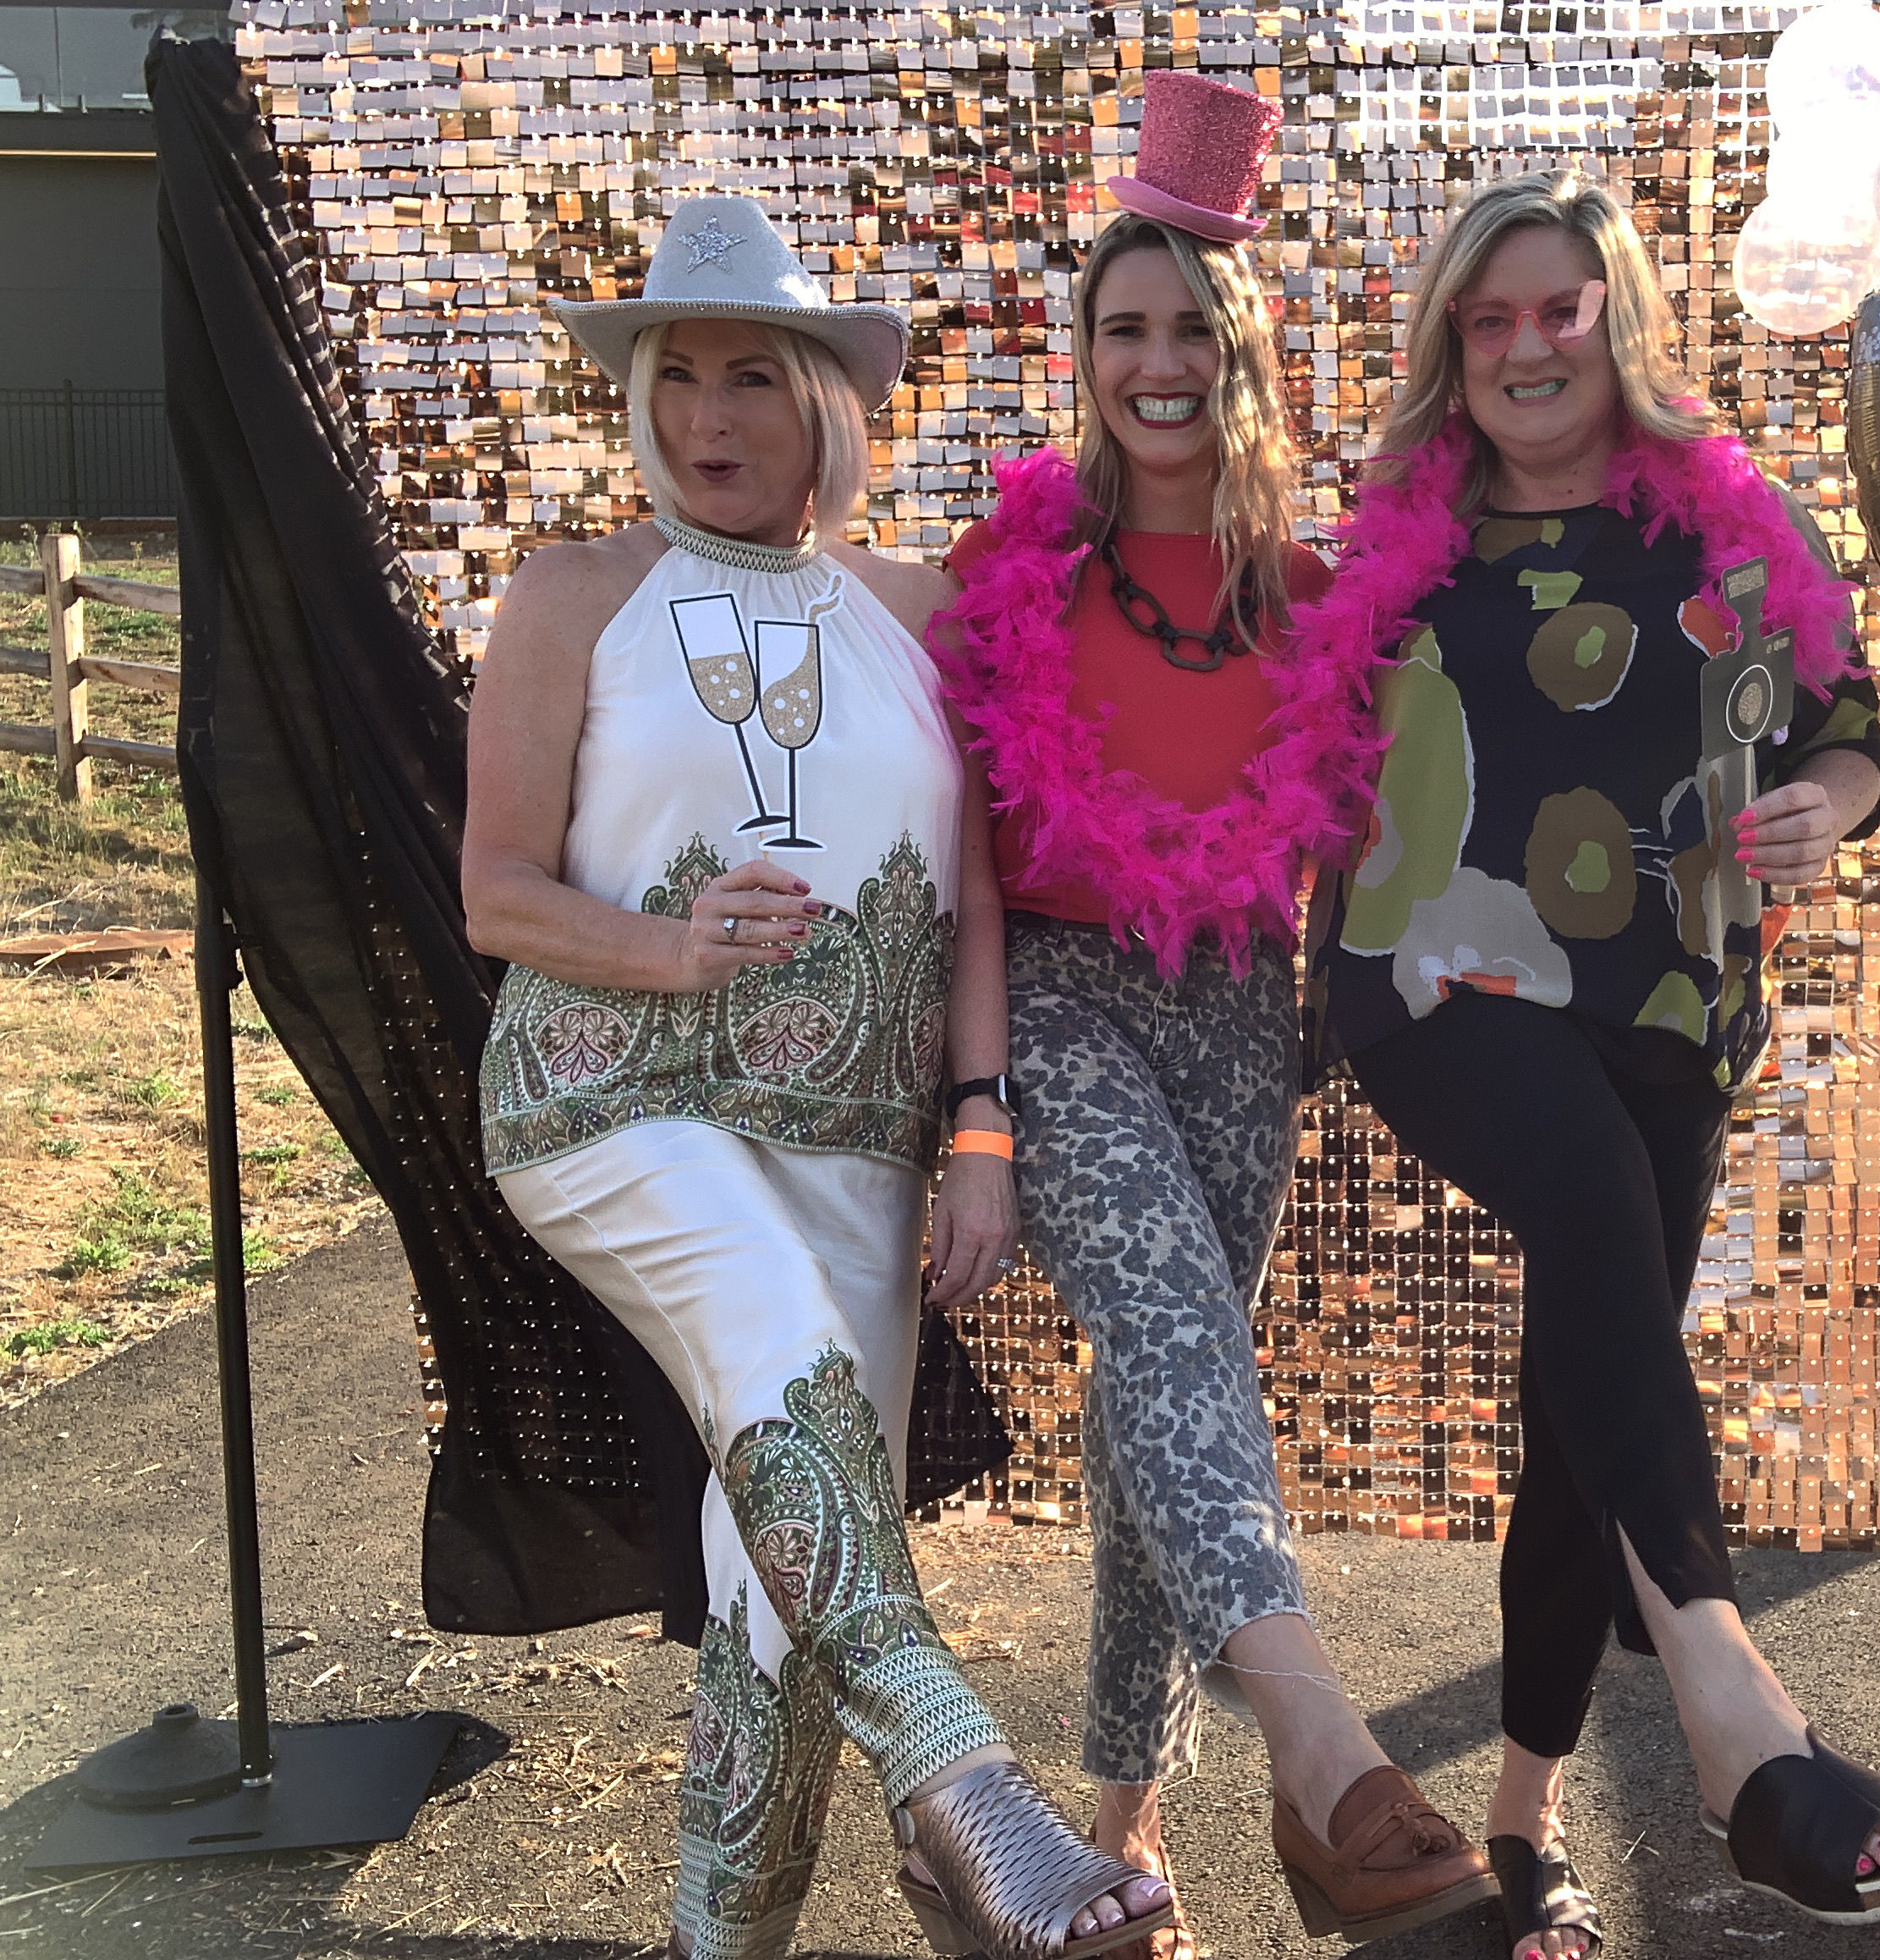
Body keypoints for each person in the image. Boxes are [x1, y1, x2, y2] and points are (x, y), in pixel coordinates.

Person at [463, 193, 1173, 1960]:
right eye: (675, 375)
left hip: (860, 1153)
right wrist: (672, 951)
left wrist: (982, 1134)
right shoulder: (573, 595)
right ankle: (968, 1795)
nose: (707, 415)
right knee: (793, 1380)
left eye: (749, 378)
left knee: (779, 1586)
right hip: (616, 1104)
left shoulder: (919, 610)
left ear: (823, 405)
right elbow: (496, 891)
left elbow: (981, 898)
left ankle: (726, 1943)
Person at [1296, 169, 1880, 1957]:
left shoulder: (1734, 534)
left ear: (1616, 319)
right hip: (1428, 975)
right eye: (1489, 316)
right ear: (1454, 340)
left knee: (1583, 1415)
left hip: (1668, 1002)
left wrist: (1814, 820)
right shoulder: (1396, 542)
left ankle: (1524, 1835)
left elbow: (1848, 738)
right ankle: (1736, 1718)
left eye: (1557, 310)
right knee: (1590, 1220)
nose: (1524, 345)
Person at [937, 74, 1492, 1958]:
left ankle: (1118, 1821)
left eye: (1190, 327)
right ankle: (1320, 1753)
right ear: (1083, 350)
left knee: (1151, 1425)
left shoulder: (1323, 606)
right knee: (1180, 1346)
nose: (1152, 362)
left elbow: (1438, 778)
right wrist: (985, 1117)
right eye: (1121, 327)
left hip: (1245, 1014)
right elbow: (966, 871)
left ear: (1240, 352)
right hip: (1069, 998)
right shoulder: (1003, 583)